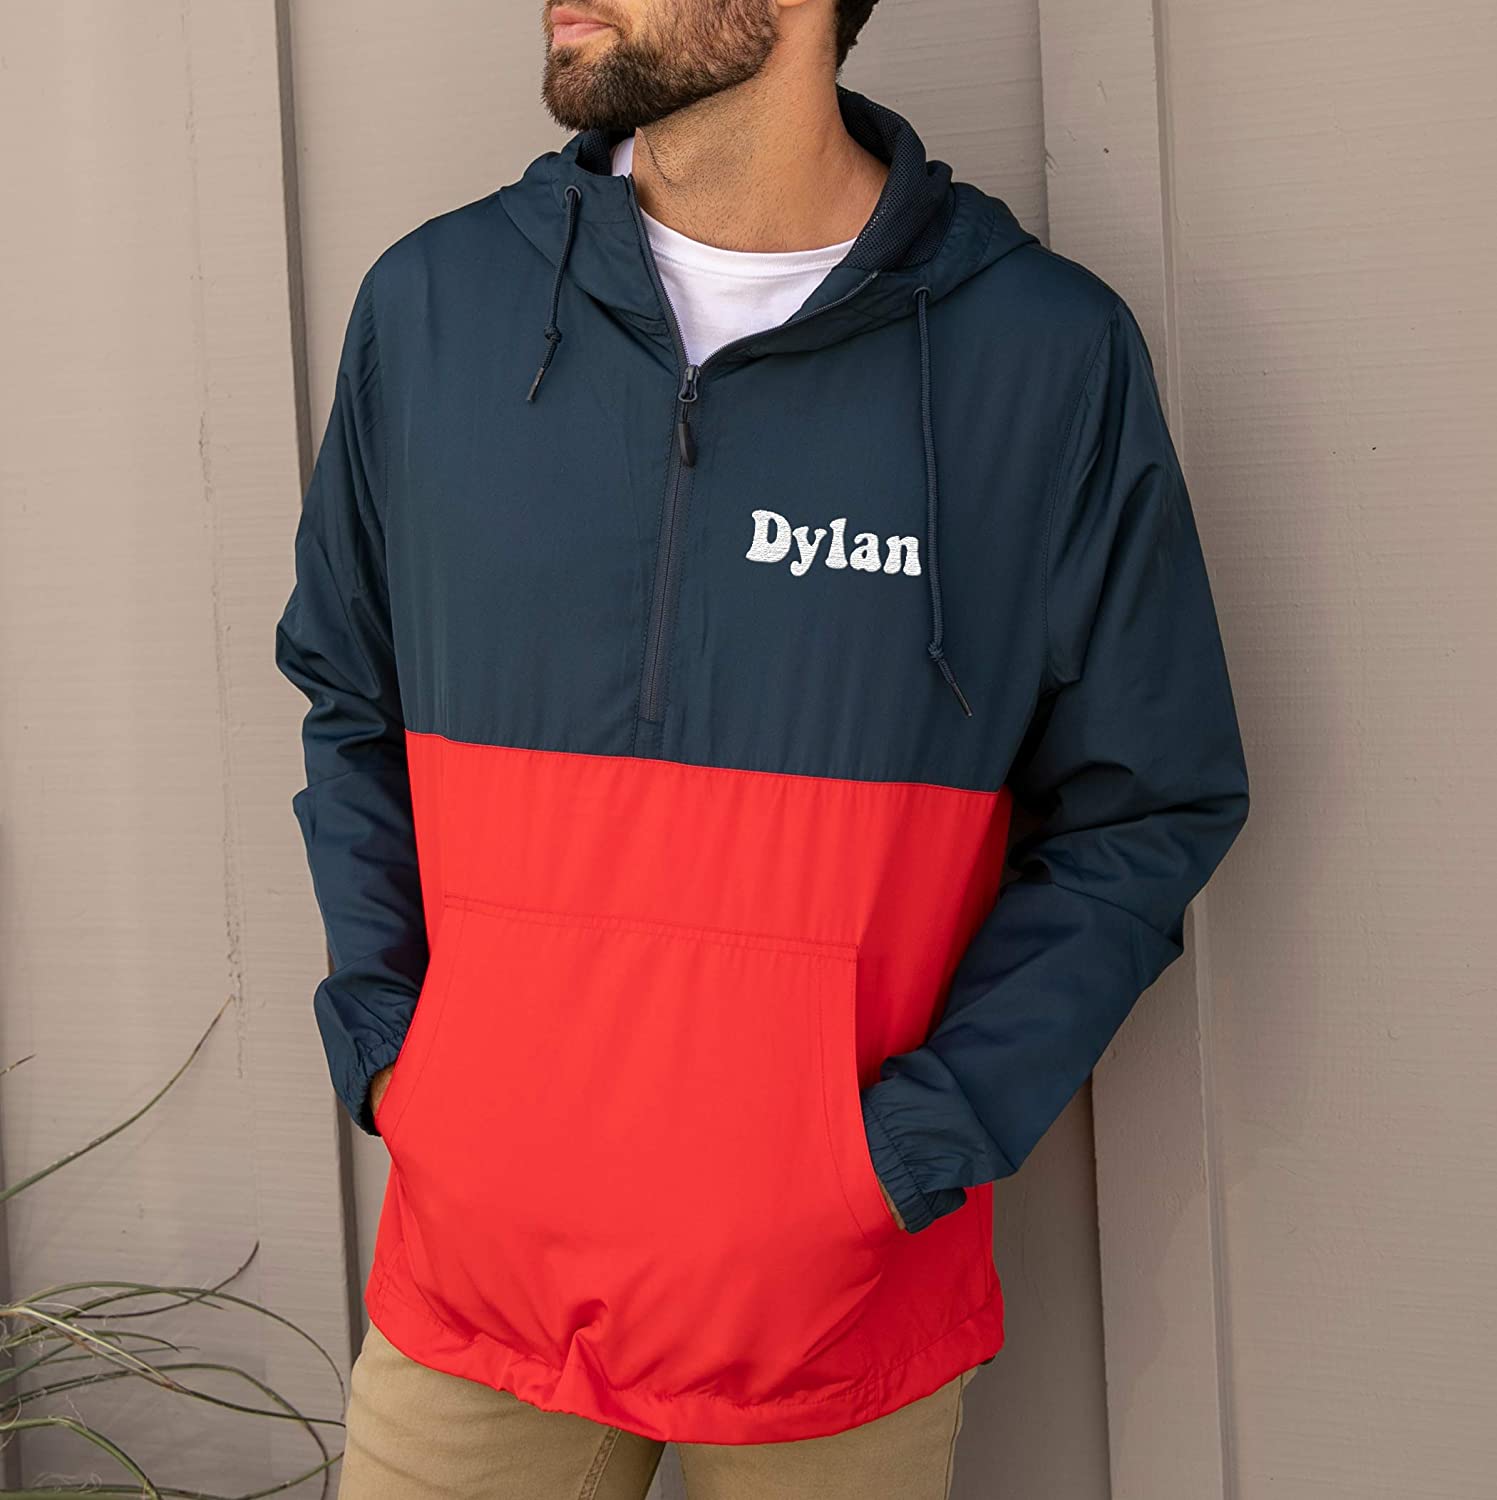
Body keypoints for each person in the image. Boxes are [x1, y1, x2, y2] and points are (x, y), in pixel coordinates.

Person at [273, 0, 1251, 1494]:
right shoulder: (436, 305)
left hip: (834, 1304)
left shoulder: (1040, 355)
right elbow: (350, 702)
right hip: (478, 1282)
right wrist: (399, 1063)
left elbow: (1146, 804)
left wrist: (903, 1155)